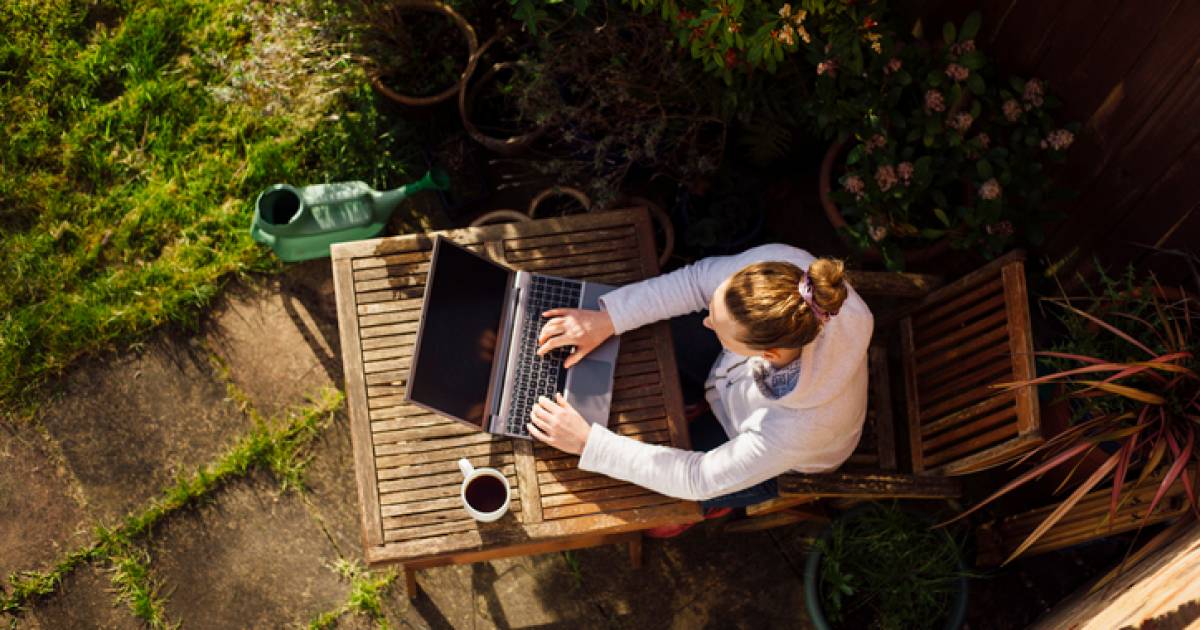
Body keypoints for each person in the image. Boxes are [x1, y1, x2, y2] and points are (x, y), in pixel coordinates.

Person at [528, 244, 874, 537]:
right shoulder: (781, 274)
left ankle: (720, 505)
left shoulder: (798, 429)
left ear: (767, 354)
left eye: (719, 327)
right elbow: (695, 282)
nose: (706, 322)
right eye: (713, 309)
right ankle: (703, 399)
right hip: (736, 381)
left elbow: (698, 476)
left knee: (654, 511)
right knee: (655, 334)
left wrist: (588, 444)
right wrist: (608, 319)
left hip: (783, 457)